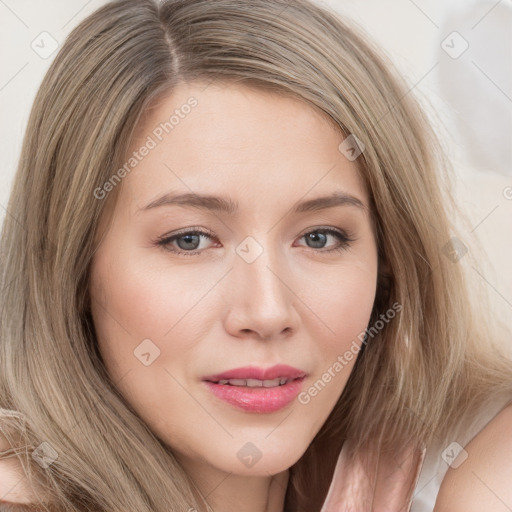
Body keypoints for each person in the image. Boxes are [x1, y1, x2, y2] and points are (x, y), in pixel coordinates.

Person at [1, 0, 511, 511]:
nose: (267, 312)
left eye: (320, 238)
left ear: (389, 260)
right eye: (190, 240)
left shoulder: (475, 461)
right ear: (73, 267)